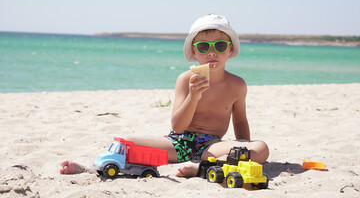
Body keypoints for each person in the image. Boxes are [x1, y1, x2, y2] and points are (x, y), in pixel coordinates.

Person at [60, 14, 269, 177]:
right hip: (178, 143)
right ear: (195, 52)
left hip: (211, 147)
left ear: (230, 49)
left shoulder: (237, 84)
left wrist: (245, 149)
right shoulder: (185, 79)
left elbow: (240, 121)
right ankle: (89, 168)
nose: (212, 52)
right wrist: (193, 97)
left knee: (260, 149)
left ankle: (200, 169)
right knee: (126, 141)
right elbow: (177, 126)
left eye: (220, 46)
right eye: (204, 47)